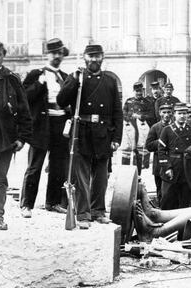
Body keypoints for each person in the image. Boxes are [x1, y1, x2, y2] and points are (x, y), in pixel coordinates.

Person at [57, 44, 123, 229]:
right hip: (82, 132)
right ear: (85, 57)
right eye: (91, 56)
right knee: (82, 176)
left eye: (97, 56)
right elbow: (61, 101)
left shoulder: (109, 81)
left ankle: (98, 211)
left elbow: (118, 112)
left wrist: (116, 137)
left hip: (103, 133)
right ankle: (83, 214)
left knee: (101, 175)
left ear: (103, 57)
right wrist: (73, 81)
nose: (94, 60)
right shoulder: (77, 77)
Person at [20, 38, 70, 218]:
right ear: (47, 54)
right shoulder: (36, 74)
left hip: (60, 125)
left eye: (60, 53)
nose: (57, 56)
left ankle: (53, 202)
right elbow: (25, 98)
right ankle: (27, 204)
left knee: (58, 166)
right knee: (35, 166)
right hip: (41, 126)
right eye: (53, 53)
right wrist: (40, 82)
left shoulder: (65, 77)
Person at [0, 39, 32, 230]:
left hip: (6, 135)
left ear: (3, 56)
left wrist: (22, 137)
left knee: (0, 179)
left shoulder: (12, 79)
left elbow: (24, 110)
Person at [158, 102, 191, 210]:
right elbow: (161, 151)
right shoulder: (167, 130)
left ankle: (182, 226)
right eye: (179, 113)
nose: (182, 116)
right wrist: (167, 168)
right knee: (167, 200)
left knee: (185, 202)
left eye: (184, 113)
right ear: (174, 114)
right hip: (172, 169)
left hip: (186, 171)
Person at [145, 104, 173, 205]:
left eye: (169, 112)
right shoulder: (155, 127)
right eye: (164, 112)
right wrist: (162, 141)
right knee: (161, 191)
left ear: (172, 113)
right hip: (159, 164)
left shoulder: (175, 126)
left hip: (173, 163)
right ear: (160, 113)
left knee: (173, 191)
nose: (166, 115)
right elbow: (148, 145)